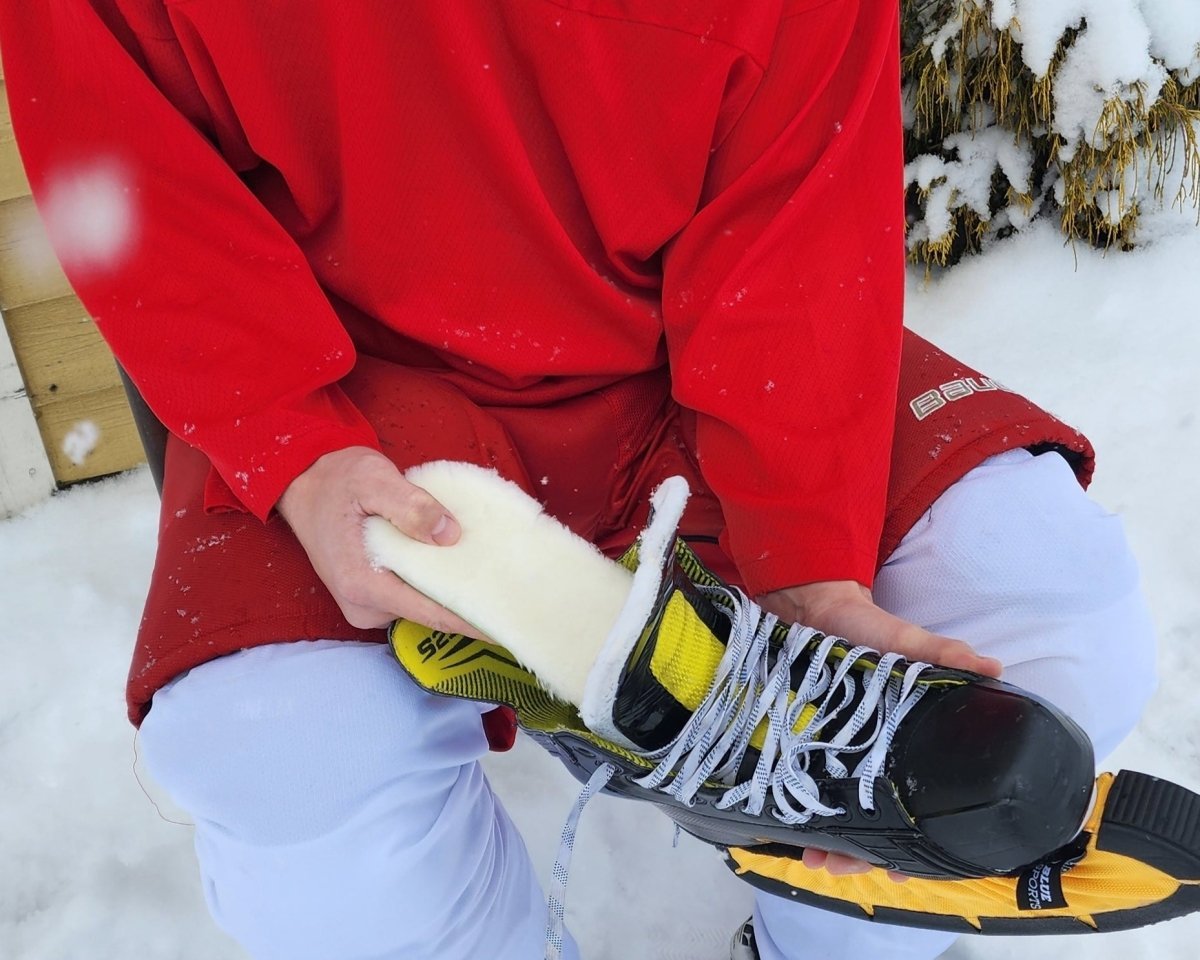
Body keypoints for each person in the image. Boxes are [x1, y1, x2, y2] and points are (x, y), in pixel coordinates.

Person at [0, 2, 1158, 958]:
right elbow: (120, 157)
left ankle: (823, 939)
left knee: (1052, 608)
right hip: (347, 386)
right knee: (278, 758)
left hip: (681, 362)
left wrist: (812, 569)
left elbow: (791, 237)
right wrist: (293, 448)